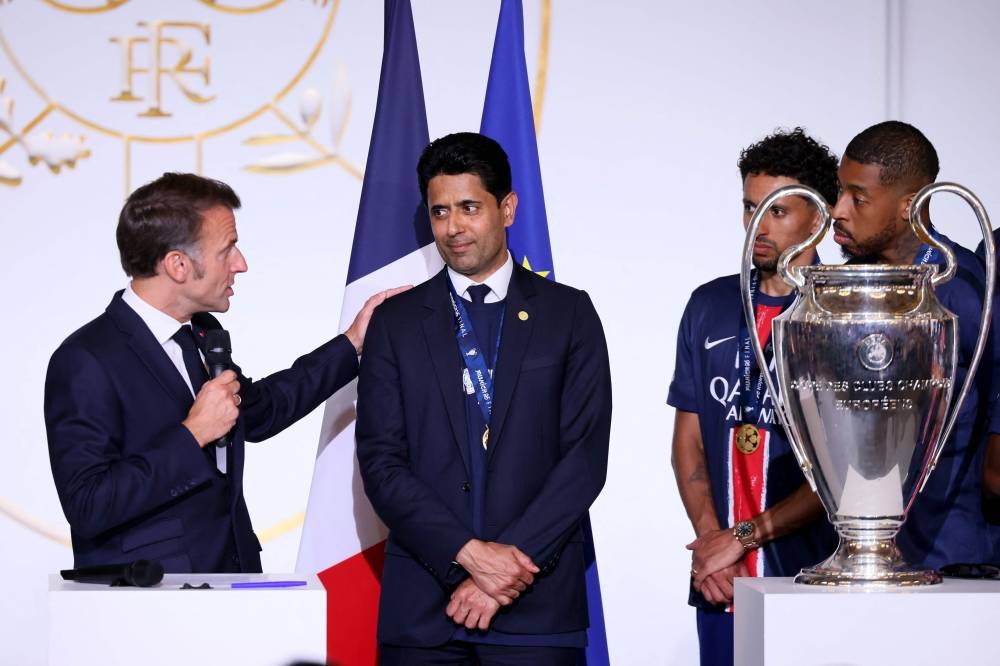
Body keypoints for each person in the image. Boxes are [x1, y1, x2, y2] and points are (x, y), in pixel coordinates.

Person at [45, 172, 403, 573]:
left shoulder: (201, 334)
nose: (241, 264)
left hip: (231, 587)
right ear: (178, 265)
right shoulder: (85, 360)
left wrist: (353, 341)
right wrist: (193, 433)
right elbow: (89, 505)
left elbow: (260, 412)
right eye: (227, 249)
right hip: (145, 606)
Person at [356, 132, 612, 665]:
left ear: (508, 208)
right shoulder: (395, 323)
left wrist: (503, 576)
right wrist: (468, 555)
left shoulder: (569, 315)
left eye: (469, 208)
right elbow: (381, 462)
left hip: (537, 609)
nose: (453, 228)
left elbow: (584, 459)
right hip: (425, 609)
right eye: (440, 211)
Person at [667, 128, 839, 666]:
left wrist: (742, 537)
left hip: (813, 581)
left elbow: (846, 477)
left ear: (820, 216)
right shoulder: (709, 304)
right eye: (749, 207)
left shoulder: (844, 315)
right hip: (721, 582)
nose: (758, 226)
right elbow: (688, 444)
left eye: (777, 211)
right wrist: (713, 546)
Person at [831, 120, 993, 567]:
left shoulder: (961, 290)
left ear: (909, 205)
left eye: (857, 198)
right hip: (865, 553)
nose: (837, 210)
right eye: (839, 192)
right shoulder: (852, 286)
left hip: (950, 558)